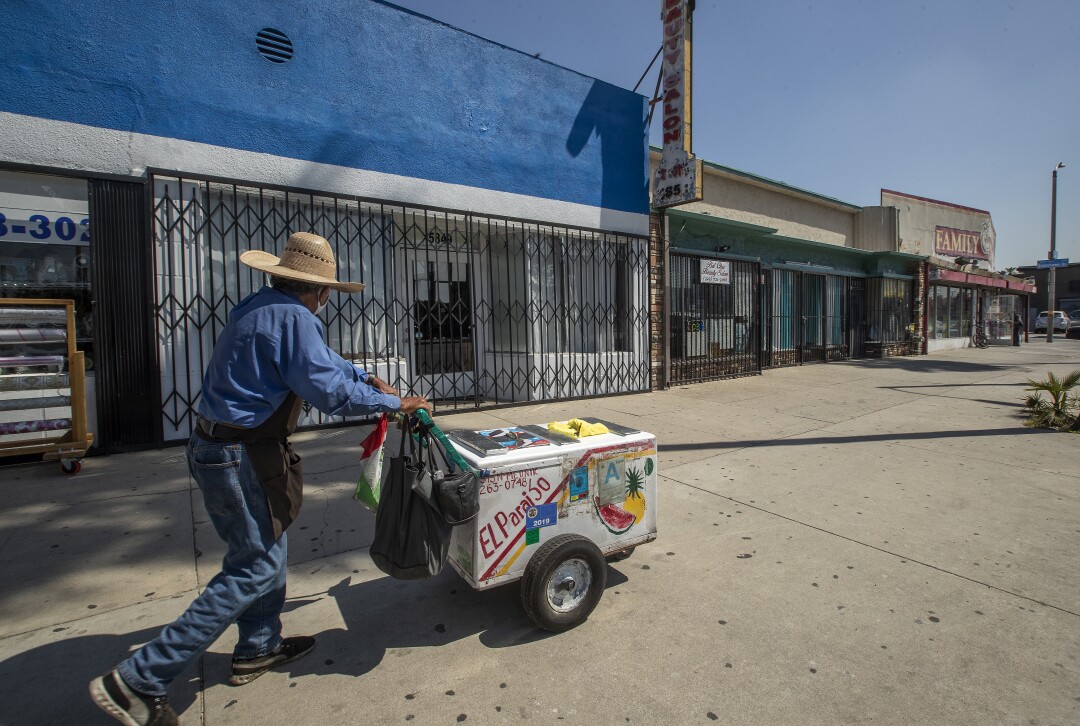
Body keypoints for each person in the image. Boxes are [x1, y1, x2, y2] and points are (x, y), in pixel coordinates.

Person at [90, 232, 431, 725]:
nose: (325, 299)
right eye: (326, 291)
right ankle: (139, 679)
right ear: (319, 291)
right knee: (252, 567)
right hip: (237, 455)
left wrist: (365, 376)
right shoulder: (295, 317)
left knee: (267, 547)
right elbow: (326, 388)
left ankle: (258, 644)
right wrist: (393, 401)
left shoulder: (261, 306)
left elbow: (326, 364)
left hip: (222, 446)